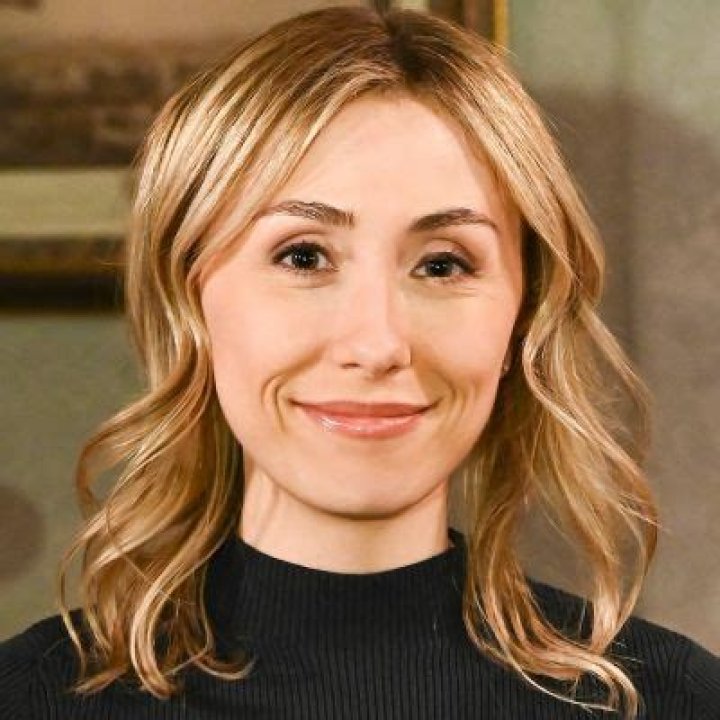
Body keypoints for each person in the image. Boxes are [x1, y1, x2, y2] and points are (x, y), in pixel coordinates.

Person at [1, 5, 719, 719]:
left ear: (523, 314)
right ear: (192, 296)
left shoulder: (674, 701)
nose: (377, 345)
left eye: (442, 265)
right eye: (303, 257)